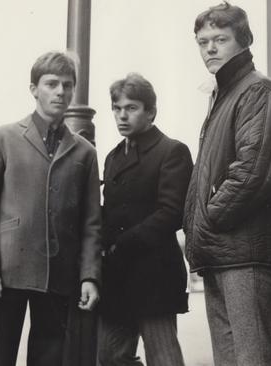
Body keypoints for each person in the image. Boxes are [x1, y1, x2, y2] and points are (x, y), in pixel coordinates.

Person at [0, 50, 102, 365]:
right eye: (51, 84)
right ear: (33, 89)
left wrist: (89, 276)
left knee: (50, 357)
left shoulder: (84, 152)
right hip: (6, 270)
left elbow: (91, 223)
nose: (60, 92)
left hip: (59, 273)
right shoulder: (1, 138)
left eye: (67, 85)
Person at [183, 3, 271, 366]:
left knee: (252, 359)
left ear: (244, 41)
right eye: (203, 41)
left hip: (245, 252)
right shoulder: (226, 94)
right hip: (225, 250)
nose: (210, 48)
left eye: (220, 39)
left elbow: (252, 171)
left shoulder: (257, 91)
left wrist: (210, 217)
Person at [97, 73, 192, 366]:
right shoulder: (113, 157)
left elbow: (172, 213)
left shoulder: (171, 151)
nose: (122, 115)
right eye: (116, 108)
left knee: (163, 357)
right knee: (109, 356)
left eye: (131, 108)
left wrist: (122, 243)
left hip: (154, 273)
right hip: (118, 274)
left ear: (151, 111)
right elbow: (111, 210)